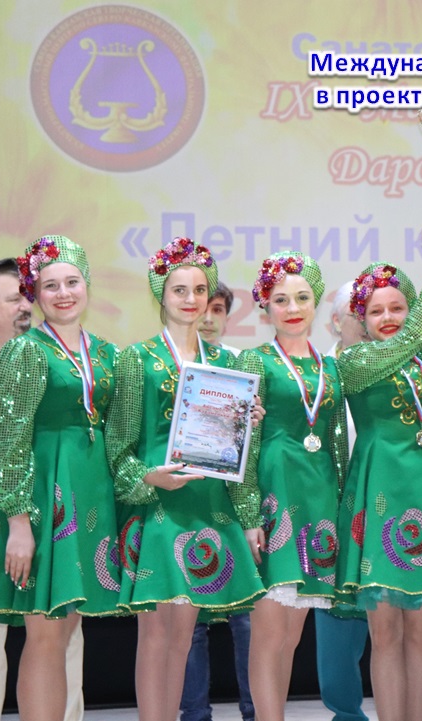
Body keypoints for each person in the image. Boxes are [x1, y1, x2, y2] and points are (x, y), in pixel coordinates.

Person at [0, 237, 124, 720]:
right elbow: (7, 444)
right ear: (35, 295)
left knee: (65, 632)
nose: (63, 293)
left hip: (89, 500)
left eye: (72, 282)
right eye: (50, 286)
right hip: (43, 503)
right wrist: (19, 524)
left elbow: (126, 433)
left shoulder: (107, 353)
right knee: (45, 634)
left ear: (87, 284)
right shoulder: (24, 351)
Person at [106, 237, 265, 721]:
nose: (191, 299)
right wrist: (148, 478)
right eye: (180, 290)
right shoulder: (137, 359)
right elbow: (118, 446)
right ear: (161, 294)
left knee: (181, 639)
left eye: (199, 289)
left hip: (208, 507)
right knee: (156, 636)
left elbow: (240, 456)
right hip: (159, 508)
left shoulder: (229, 363)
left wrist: (248, 425)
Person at [333, 229, 422, 721]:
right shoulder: (354, 360)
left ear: (412, 309)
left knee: (420, 635)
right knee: (385, 634)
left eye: (397, 307)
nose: (388, 317)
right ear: (361, 320)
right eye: (376, 311)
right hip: (379, 494)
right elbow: (416, 332)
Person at [228, 252, 348, 721]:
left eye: (302, 298)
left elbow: (336, 441)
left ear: (317, 303)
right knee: (268, 633)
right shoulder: (252, 361)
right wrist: (248, 515)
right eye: (281, 300)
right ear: (265, 308)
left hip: (318, 500)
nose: (293, 307)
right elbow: (239, 447)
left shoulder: (331, 368)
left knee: (292, 636)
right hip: (274, 497)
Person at [180, 279, 254, 721]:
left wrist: (253, 421)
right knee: (189, 624)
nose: (207, 317)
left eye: (218, 309)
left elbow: (250, 450)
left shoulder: (238, 367)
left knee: (246, 618)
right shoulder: (162, 361)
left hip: (229, 505)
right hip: (182, 503)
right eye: (201, 306)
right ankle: (193, 714)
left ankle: (254, 711)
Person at [315, 281, 371, 721]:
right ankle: (346, 713)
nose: (369, 322)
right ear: (336, 322)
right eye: (359, 313)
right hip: (332, 510)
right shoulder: (317, 375)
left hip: (385, 507)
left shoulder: (400, 369)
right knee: (336, 622)